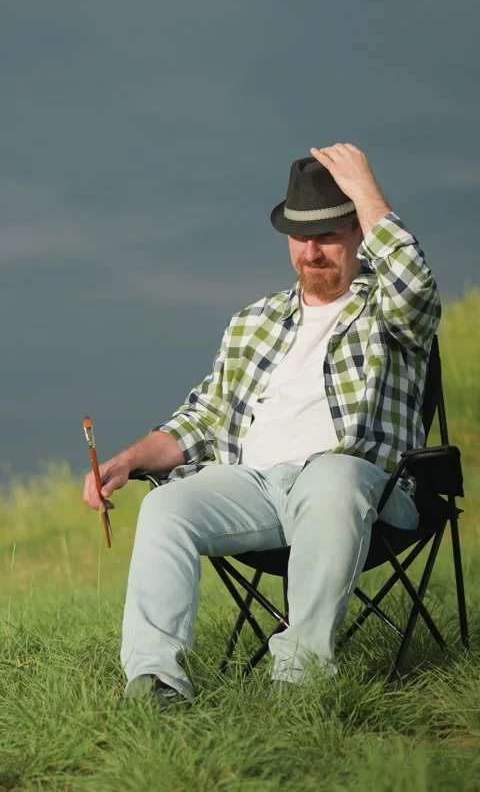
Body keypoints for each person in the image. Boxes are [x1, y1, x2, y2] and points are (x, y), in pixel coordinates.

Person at [83, 143, 441, 706]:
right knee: (164, 508)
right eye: (301, 235)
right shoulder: (254, 320)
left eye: (327, 233)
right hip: (252, 486)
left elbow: (415, 285)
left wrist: (367, 190)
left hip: (360, 483)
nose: (312, 250)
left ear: (357, 233)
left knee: (332, 480)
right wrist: (125, 461)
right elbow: (202, 416)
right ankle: (156, 680)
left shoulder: (389, 310)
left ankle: (297, 682)